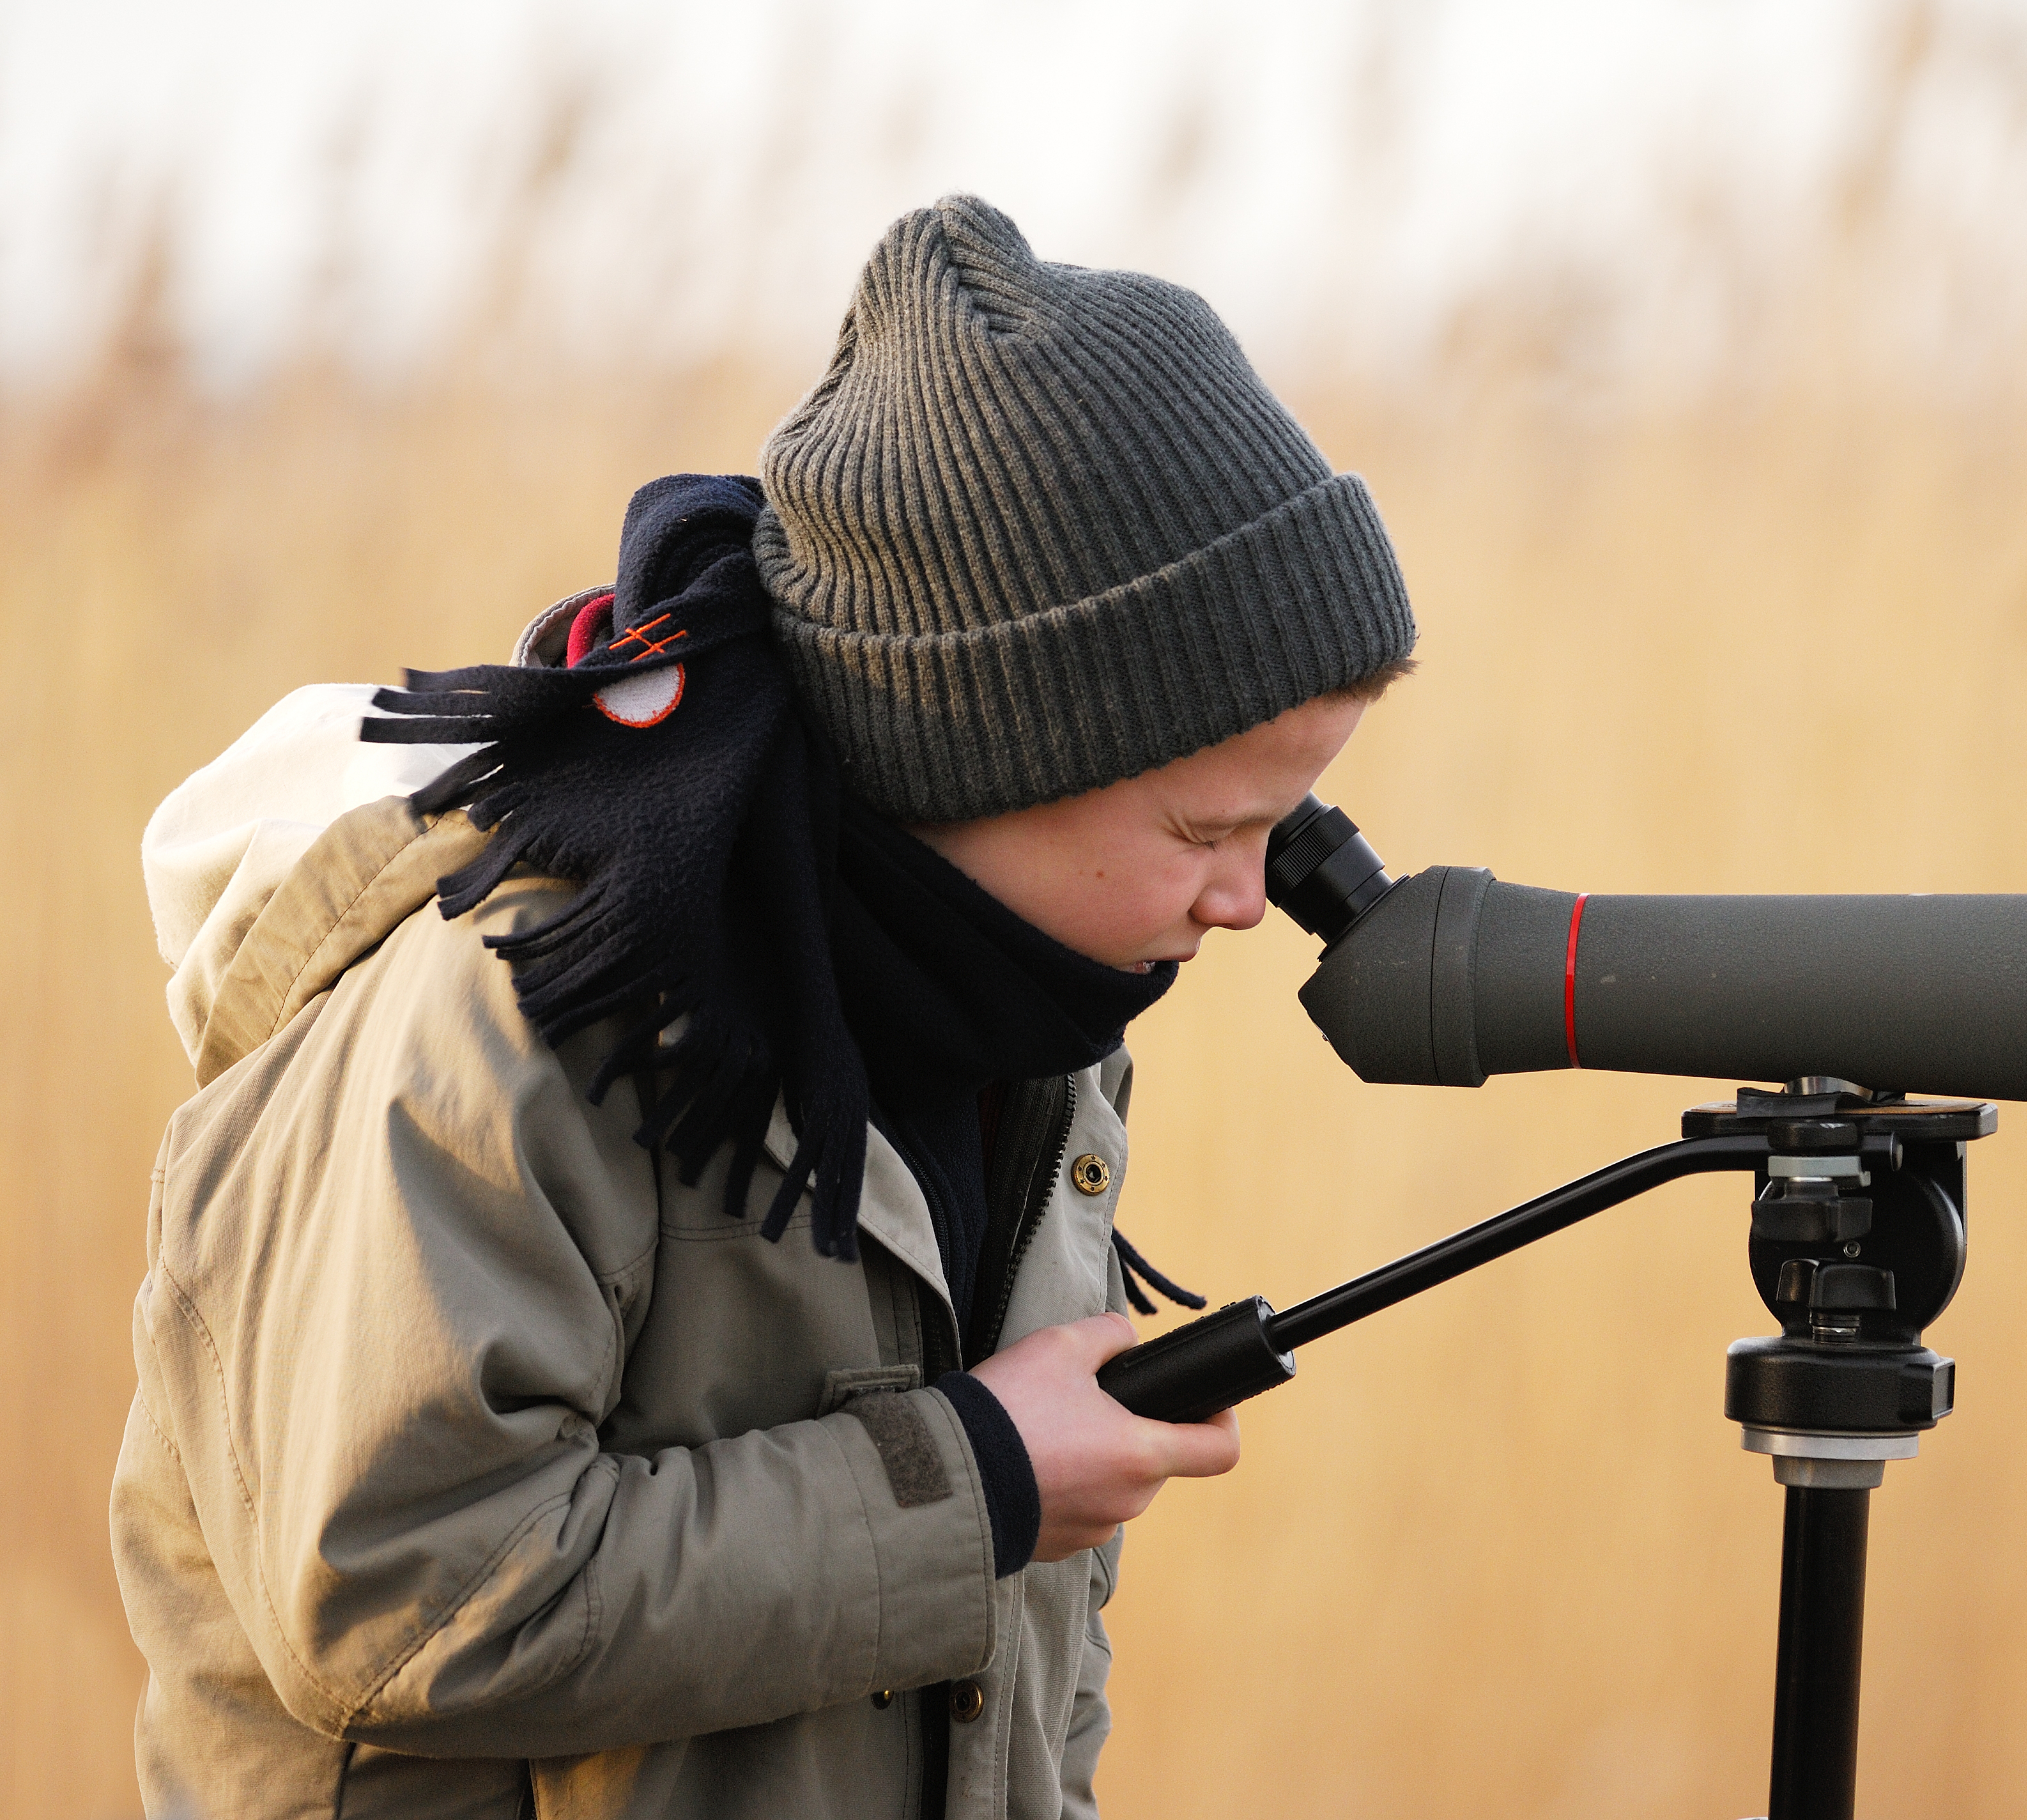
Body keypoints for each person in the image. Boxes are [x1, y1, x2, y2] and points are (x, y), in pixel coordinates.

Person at [112, 196, 1417, 1819]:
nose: (1247, 896)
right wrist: (982, 1482)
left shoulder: (1029, 1027)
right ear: (981, 748)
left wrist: (1006, 1517)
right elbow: (398, 1594)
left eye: (1277, 831)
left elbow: (1015, 1666)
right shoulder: (504, 1012)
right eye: (1206, 830)